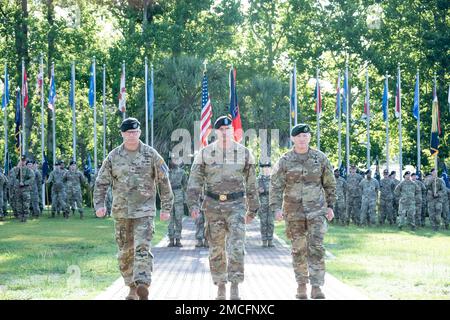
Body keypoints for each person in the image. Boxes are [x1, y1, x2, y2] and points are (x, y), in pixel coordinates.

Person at [93, 117, 174, 300]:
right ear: (122, 134)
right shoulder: (113, 156)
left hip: (144, 211)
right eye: (128, 132)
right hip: (121, 212)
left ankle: (142, 284)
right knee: (125, 253)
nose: (132, 135)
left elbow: (164, 181)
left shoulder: (151, 154)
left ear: (139, 133)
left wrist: (166, 207)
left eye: (135, 132)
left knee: (142, 248)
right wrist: (99, 204)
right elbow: (101, 183)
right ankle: (131, 287)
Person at [187, 115, 259, 300]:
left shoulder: (244, 153)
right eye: (221, 130)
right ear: (216, 131)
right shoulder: (205, 153)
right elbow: (194, 181)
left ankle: (234, 285)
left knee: (236, 246)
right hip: (213, 206)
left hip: (236, 206)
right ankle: (220, 284)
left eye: (228, 129)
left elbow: (252, 183)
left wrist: (253, 209)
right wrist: (193, 204)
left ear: (233, 131)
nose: (225, 132)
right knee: (216, 247)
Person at [270, 123, 336, 300]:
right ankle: (301, 285)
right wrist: (276, 208)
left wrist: (330, 206)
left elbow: (329, 183)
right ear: (293, 138)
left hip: (316, 211)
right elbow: (276, 186)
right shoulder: (284, 160)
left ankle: (316, 286)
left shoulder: (320, 158)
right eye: (299, 136)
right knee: (298, 249)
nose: (302, 139)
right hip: (293, 212)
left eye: (305, 136)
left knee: (316, 248)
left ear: (309, 138)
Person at [167, 156, 188, 247]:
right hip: (169, 196)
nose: (174, 161)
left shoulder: (182, 172)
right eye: (173, 159)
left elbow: (185, 186)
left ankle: (178, 239)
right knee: (170, 219)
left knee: (178, 218)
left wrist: (186, 199)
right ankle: (171, 239)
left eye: (176, 160)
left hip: (179, 196)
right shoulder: (166, 172)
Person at [10, 156, 35, 222]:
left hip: (25, 190)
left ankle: (25, 218)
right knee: (18, 204)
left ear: (25, 161)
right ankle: (20, 217)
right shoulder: (16, 169)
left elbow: (32, 178)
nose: (22, 162)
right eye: (21, 160)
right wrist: (18, 167)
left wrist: (24, 183)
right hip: (18, 189)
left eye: (24, 160)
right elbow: (12, 176)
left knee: (26, 204)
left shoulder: (29, 170)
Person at [258, 161, 274, 246]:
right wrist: (258, 191)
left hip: (271, 203)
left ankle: (270, 240)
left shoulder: (274, 179)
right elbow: (253, 192)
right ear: (262, 170)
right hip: (262, 203)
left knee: (270, 222)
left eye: (268, 168)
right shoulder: (259, 180)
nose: (266, 170)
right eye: (264, 168)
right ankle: (264, 240)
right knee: (263, 222)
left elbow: (277, 191)